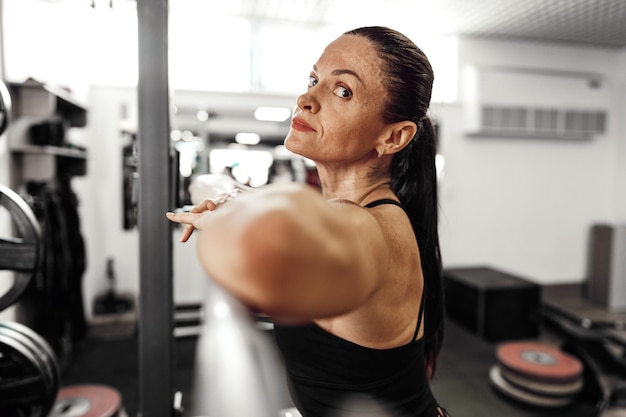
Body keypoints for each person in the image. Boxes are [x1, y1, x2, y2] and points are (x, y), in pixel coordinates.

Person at [166, 26, 449, 417]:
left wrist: (229, 215)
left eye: (342, 90)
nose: (305, 98)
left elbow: (271, 240)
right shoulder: (347, 210)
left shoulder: (373, 230)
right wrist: (223, 193)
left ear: (393, 136)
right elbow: (224, 190)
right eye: (314, 79)